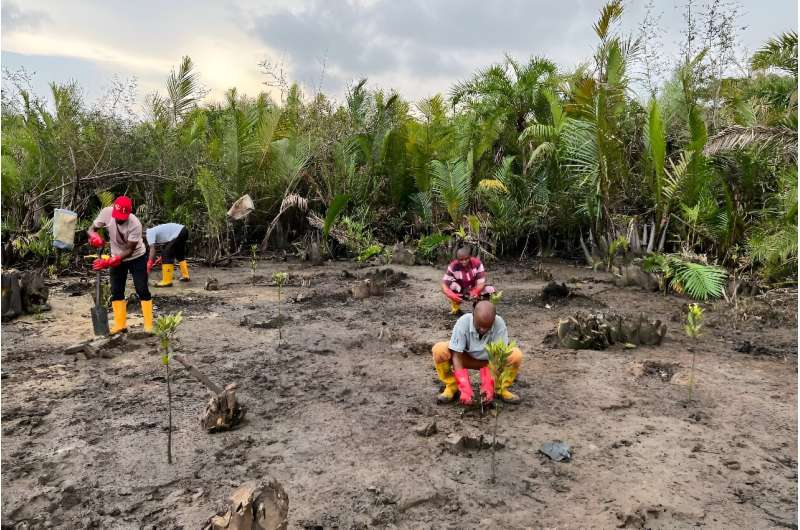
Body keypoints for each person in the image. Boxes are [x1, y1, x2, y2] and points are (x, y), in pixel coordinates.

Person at [431, 301, 522, 404]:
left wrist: (488, 383)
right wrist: (464, 386)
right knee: (439, 350)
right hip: (465, 359)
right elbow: (456, 355)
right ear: (473, 315)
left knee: (515, 355)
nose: (483, 330)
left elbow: (498, 357)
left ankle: (500, 389)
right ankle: (452, 386)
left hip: (489, 361)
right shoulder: (463, 322)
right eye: (479, 326)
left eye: (487, 327)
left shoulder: (499, 323)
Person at [87, 195, 152, 334]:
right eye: (117, 216)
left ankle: (148, 325)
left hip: (136, 257)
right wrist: (94, 236)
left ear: (128, 214)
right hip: (116, 255)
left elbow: (130, 249)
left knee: (142, 289)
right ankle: (120, 325)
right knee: (116, 291)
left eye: (122, 216)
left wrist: (110, 261)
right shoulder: (106, 213)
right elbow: (90, 229)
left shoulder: (135, 224)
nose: (119, 219)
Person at [441, 246, 496, 314]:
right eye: (461, 260)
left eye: (466, 259)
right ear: (457, 259)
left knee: (490, 289)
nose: (464, 262)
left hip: (474, 289)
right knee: (451, 285)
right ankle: (456, 308)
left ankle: (479, 307)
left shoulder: (477, 264)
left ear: (470, 257)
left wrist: (475, 291)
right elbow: (444, 285)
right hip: (460, 290)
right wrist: (451, 295)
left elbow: (481, 282)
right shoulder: (452, 266)